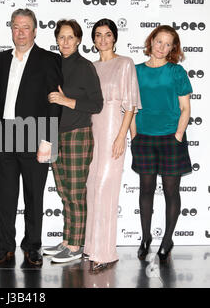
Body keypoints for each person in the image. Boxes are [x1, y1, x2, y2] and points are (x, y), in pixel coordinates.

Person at [0, 8, 63, 267]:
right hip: (6, 135)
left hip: (35, 135)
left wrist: (48, 140)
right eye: (16, 27)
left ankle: (33, 246)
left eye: (25, 27)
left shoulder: (48, 59)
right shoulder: (0, 59)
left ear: (34, 30)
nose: (20, 32)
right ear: (11, 29)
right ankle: (5, 246)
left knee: (34, 195)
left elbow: (55, 103)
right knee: (5, 197)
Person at [84, 18, 141, 272]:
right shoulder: (91, 67)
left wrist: (121, 137)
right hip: (91, 132)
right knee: (92, 190)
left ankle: (104, 252)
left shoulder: (125, 63)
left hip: (113, 131)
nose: (103, 39)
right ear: (93, 39)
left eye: (108, 34)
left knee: (106, 191)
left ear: (115, 37)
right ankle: (92, 247)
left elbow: (130, 105)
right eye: (98, 34)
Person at [130, 25, 192, 262]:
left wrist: (177, 135)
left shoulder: (177, 72)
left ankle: (167, 239)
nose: (162, 48)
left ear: (173, 48)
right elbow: (131, 107)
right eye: (159, 42)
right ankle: (145, 237)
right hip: (143, 138)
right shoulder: (135, 71)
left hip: (171, 138)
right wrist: (133, 135)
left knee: (170, 191)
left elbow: (186, 108)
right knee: (145, 189)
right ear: (151, 41)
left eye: (168, 44)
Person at [44, 19, 103, 263]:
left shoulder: (85, 66)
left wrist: (67, 101)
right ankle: (68, 240)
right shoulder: (54, 65)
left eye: (70, 37)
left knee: (76, 193)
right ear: (56, 40)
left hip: (78, 134)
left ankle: (77, 245)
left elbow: (97, 104)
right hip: (56, 135)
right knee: (64, 191)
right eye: (61, 37)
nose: (65, 42)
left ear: (78, 40)